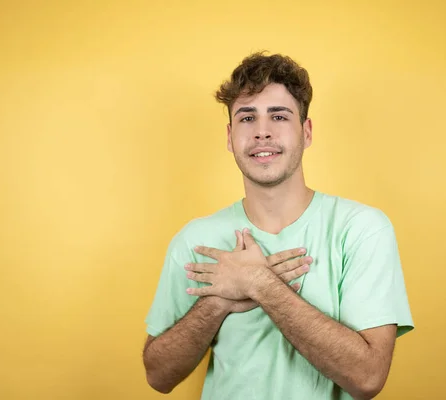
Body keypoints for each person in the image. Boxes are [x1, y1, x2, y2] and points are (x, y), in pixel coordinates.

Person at [142, 52, 414, 400]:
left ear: (307, 131)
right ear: (230, 137)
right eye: (247, 118)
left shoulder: (361, 229)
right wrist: (218, 301)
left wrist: (259, 283)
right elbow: (158, 375)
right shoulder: (195, 239)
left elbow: (368, 378)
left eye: (279, 116)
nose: (262, 132)